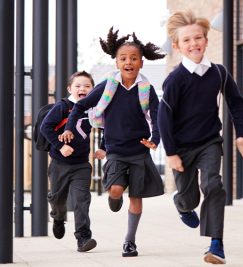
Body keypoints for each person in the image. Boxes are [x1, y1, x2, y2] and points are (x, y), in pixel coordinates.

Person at [159, 11, 243, 265]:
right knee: (189, 197)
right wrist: (170, 153)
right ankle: (182, 204)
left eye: (198, 38)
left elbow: (236, 103)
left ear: (206, 40)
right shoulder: (174, 80)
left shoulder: (219, 73)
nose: (194, 44)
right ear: (178, 46)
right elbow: (164, 118)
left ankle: (216, 244)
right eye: (187, 40)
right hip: (181, 147)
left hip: (209, 142)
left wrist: (240, 136)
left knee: (214, 185)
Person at [60, 27, 166, 257]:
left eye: (134, 58)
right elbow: (80, 106)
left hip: (139, 150)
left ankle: (129, 241)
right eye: (123, 58)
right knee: (117, 190)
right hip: (115, 149)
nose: (129, 62)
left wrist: (155, 138)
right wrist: (69, 127)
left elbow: (157, 117)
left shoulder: (146, 89)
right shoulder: (108, 86)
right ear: (116, 62)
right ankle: (114, 197)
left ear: (141, 63)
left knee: (136, 197)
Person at [40, 71, 99, 252]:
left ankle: (83, 238)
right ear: (69, 89)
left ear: (93, 90)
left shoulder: (93, 109)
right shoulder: (62, 107)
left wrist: (104, 147)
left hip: (81, 164)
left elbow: (107, 127)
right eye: (78, 86)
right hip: (60, 164)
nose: (82, 89)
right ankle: (58, 217)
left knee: (82, 200)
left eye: (87, 86)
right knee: (58, 199)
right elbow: (45, 127)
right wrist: (60, 145)